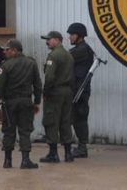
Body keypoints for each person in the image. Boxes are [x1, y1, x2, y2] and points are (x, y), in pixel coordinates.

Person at [0, 39, 41, 169]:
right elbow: (37, 84)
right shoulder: (32, 63)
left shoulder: (5, 66)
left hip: (10, 103)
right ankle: (25, 160)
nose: (5, 52)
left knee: (9, 130)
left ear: (15, 50)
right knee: (25, 131)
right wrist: (37, 102)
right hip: (26, 102)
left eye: (7, 50)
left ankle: (7, 161)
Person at [39, 30, 75, 163]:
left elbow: (49, 77)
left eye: (49, 39)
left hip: (55, 92)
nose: (47, 42)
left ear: (57, 40)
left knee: (51, 121)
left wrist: (46, 92)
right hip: (67, 92)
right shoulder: (68, 55)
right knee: (65, 121)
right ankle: (68, 153)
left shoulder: (53, 56)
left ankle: (53, 154)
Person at [67, 22, 95, 158]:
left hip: (80, 89)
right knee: (77, 117)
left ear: (78, 35)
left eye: (71, 35)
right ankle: (81, 146)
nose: (70, 38)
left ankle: (82, 148)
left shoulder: (82, 50)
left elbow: (66, 58)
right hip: (77, 88)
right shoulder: (80, 48)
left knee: (80, 117)